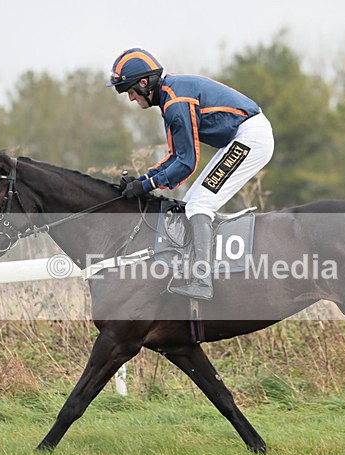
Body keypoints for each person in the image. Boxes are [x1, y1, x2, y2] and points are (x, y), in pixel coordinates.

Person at [107, 47, 274, 300]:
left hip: (251, 137)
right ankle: (196, 271)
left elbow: (187, 163)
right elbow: (175, 157)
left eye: (130, 91)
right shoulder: (169, 97)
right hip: (242, 136)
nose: (130, 98)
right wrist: (143, 180)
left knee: (199, 206)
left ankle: (203, 281)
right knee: (189, 205)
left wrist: (147, 185)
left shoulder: (176, 102)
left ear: (144, 82)